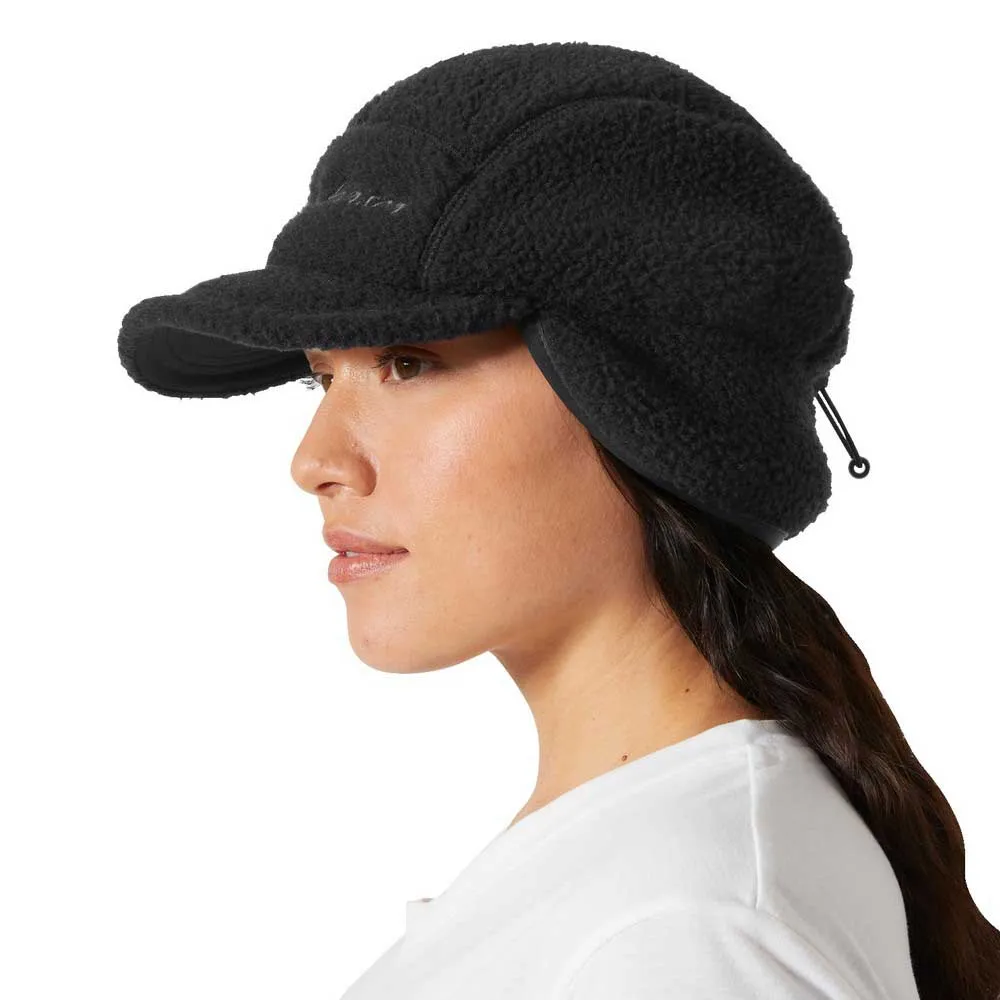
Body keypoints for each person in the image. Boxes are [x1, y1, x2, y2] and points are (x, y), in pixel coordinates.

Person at [118, 40, 1000, 1000]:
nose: (315, 461)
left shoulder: (683, 931)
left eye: (408, 363)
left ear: (639, 401)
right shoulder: (655, 869)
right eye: (320, 378)